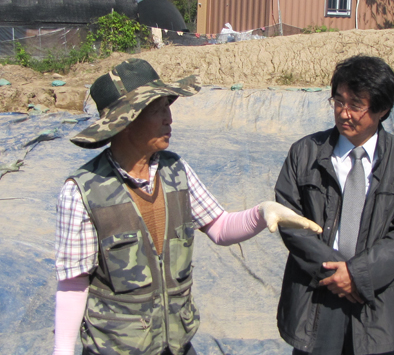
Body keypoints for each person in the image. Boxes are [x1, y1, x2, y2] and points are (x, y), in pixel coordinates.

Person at [53, 58, 321, 355]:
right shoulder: (83, 191)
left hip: (177, 345)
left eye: (168, 108)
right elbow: (73, 284)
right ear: (126, 122)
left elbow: (219, 227)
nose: (169, 119)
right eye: (158, 110)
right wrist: (61, 350)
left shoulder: (176, 171)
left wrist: (262, 213)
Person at [274, 55, 394, 355]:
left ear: (382, 109)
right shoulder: (305, 153)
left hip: (373, 302)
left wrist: (357, 275)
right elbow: (290, 219)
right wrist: (336, 273)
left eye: (356, 104)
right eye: (338, 101)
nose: (344, 113)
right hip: (317, 295)